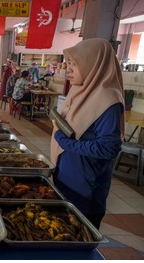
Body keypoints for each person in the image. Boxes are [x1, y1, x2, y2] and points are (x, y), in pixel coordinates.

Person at [50, 38, 125, 229]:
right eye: (68, 64)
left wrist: (63, 140)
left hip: (85, 189)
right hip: (66, 179)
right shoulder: (80, 91)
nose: (69, 70)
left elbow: (108, 149)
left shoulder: (109, 100)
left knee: (79, 240)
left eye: (75, 65)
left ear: (94, 65)